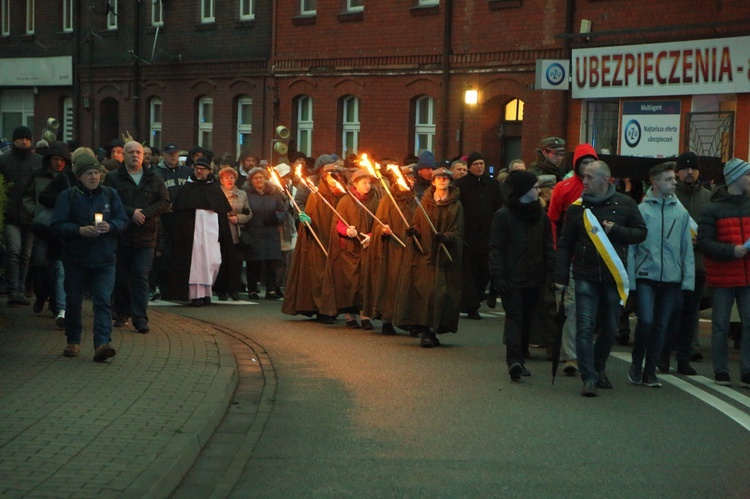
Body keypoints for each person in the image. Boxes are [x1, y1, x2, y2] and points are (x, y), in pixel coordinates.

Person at [555, 160, 647, 397]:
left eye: (589, 177)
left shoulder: (625, 204)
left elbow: (641, 233)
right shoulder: (577, 208)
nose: (584, 181)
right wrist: (561, 276)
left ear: (605, 180)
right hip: (585, 275)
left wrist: (616, 230)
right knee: (584, 327)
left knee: (609, 328)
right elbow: (565, 245)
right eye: (583, 177)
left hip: (612, 277)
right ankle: (589, 377)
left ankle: (598, 368)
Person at [51, 154, 129, 361]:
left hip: (104, 258)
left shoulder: (110, 195)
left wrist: (111, 226)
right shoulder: (67, 196)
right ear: (79, 177)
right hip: (76, 259)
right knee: (74, 301)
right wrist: (79, 230)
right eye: (88, 173)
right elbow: (56, 225)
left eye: (96, 173)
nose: (94, 177)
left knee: (103, 301)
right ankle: (73, 340)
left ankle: (102, 343)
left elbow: (123, 220)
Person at [629, 162, 695, 388]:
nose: (674, 182)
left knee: (661, 326)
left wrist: (687, 280)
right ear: (655, 183)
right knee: (646, 321)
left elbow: (687, 248)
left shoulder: (681, 212)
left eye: (674, 179)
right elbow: (632, 247)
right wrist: (630, 279)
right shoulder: (642, 211)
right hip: (646, 275)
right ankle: (637, 363)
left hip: (672, 279)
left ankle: (650, 371)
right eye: (668, 179)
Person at [490, 171, 554, 380]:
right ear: (524, 190)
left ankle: (521, 356)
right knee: (515, 317)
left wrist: (552, 272)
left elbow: (547, 247)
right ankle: (514, 360)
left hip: (535, 278)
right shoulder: (503, 216)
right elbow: (497, 247)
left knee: (526, 318)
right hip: (512, 277)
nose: (538, 191)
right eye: (535, 187)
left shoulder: (540, 216)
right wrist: (497, 276)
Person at [104, 141, 170, 333]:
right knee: (122, 277)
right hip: (121, 236)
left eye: (138, 152)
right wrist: (131, 212)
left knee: (141, 277)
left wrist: (146, 213)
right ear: (123, 155)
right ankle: (123, 312)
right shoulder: (113, 178)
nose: (135, 155)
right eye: (131, 152)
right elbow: (107, 201)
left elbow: (165, 201)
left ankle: (140, 318)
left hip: (146, 236)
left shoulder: (154, 178)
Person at [394, 167, 464, 348]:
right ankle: (424, 329)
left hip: (443, 257)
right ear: (433, 182)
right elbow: (418, 223)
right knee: (424, 292)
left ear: (450, 181)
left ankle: (435, 328)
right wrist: (413, 231)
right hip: (425, 255)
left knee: (440, 293)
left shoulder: (456, 205)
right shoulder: (424, 203)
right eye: (439, 178)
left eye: (446, 178)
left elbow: (458, 230)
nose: (442, 180)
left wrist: (447, 237)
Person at [696, 157, 750, 388]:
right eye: (747, 175)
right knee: (720, 325)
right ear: (736, 178)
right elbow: (705, 243)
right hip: (723, 276)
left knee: (749, 323)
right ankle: (721, 370)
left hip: (747, 275)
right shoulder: (712, 209)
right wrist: (731, 251)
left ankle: (747, 370)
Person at [546, 143, 598, 375]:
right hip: (570, 257)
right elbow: (553, 220)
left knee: (590, 308)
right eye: (583, 163)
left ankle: (585, 350)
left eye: (591, 162)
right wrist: (557, 251)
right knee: (570, 306)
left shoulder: (604, 189)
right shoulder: (564, 188)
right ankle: (571, 355)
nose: (587, 167)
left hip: (597, 258)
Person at [164, 157, 233, 306]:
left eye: (203, 169)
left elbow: (222, 213)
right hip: (192, 233)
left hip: (211, 231)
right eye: (197, 168)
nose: (199, 171)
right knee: (195, 262)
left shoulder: (215, 189)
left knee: (213, 260)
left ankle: (207, 292)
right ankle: (195, 295)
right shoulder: (186, 189)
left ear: (209, 171)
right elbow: (179, 214)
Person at [283, 164, 348, 321]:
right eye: (331, 175)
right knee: (320, 274)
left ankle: (333, 308)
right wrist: (307, 220)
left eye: (337, 175)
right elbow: (310, 214)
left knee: (336, 273)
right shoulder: (317, 195)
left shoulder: (344, 196)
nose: (335, 178)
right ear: (325, 176)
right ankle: (322, 309)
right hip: (320, 238)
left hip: (338, 240)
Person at [322, 168, 381, 329]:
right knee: (350, 282)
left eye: (369, 183)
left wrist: (371, 235)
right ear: (355, 184)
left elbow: (379, 222)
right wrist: (347, 231)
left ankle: (366, 316)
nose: (368, 186)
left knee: (366, 281)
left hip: (367, 247)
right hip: (349, 248)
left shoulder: (374, 200)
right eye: (364, 183)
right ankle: (350, 316)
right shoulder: (346, 201)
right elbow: (338, 223)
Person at [362, 166, 416, 334]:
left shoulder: (415, 200)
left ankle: (409, 320)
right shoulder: (388, 200)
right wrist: (383, 230)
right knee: (391, 283)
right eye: (408, 178)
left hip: (411, 247)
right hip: (393, 249)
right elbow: (379, 223)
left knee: (411, 285)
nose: (411, 181)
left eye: (413, 179)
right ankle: (387, 320)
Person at [670, 151, 711, 365]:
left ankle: (690, 346)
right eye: (685, 168)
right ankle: (671, 345)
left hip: (698, 263)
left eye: (693, 168)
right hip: (673, 262)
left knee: (692, 309)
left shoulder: (707, 197)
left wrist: (701, 240)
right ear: (677, 172)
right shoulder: (671, 196)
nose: (689, 172)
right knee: (674, 306)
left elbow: (712, 228)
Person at [23, 141, 71, 319]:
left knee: (58, 267)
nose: (58, 163)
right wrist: (35, 210)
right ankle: (41, 295)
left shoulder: (69, 178)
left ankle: (54, 301)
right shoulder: (38, 175)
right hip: (42, 226)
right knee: (40, 263)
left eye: (62, 160)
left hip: (61, 229)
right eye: (55, 159)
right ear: (49, 159)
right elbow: (27, 195)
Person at [454, 151, 503, 320]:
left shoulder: (493, 184)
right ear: (470, 167)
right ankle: (471, 305)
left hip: (487, 235)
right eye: (476, 164)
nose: (480, 167)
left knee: (484, 271)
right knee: (470, 271)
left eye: (482, 164)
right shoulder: (460, 184)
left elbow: (498, 207)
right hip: (468, 234)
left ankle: (479, 296)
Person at [0, 126, 43, 305]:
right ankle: (13, 290)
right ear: (14, 140)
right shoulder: (4, 160)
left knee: (25, 254)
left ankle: (19, 288)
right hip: (11, 213)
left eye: (27, 138)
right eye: (20, 138)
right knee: (14, 250)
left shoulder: (38, 161)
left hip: (30, 214)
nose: (24, 142)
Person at [153, 142, 192, 299]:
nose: (173, 155)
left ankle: (181, 289)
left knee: (182, 256)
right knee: (165, 255)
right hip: (165, 218)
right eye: (170, 153)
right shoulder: (157, 173)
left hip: (183, 219)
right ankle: (164, 289)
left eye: (175, 153)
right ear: (163, 155)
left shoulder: (187, 171)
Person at [242, 167, 285, 300]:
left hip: (271, 230)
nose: (259, 180)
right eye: (256, 178)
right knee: (254, 261)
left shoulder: (274, 192)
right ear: (251, 180)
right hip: (254, 230)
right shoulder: (246, 193)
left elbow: (283, 209)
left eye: (261, 177)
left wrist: (277, 219)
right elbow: (244, 209)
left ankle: (271, 289)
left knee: (272, 261)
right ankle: (253, 289)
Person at [215, 166, 252, 301]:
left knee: (235, 263)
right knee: (222, 262)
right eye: (226, 178)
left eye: (232, 177)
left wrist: (238, 218)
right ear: (221, 180)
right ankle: (221, 290)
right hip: (222, 232)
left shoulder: (242, 194)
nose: (229, 180)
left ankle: (234, 290)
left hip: (237, 232)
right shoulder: (217, 193)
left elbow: (248, 212)